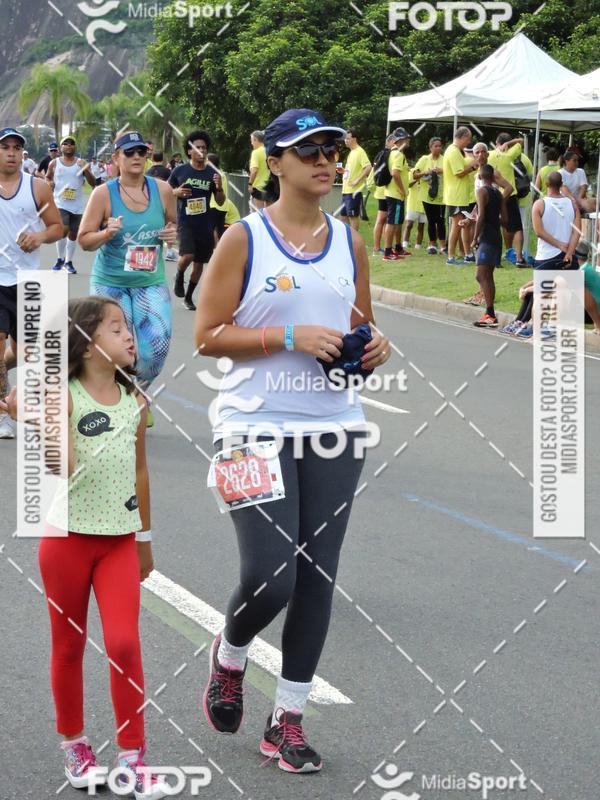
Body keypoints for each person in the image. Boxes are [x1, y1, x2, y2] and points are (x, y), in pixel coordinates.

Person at [195, 108, 390, 773]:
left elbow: (358, 325)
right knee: (270, 575)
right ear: (274, 163)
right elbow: (208, 335)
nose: (327, 160)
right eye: (309, 149)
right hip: (251, 426)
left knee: (316, 577)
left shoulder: (350, 241)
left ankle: (289, 720)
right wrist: (288, 337)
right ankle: (231, 650)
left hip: (335, 427)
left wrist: (374, 348)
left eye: (334, 149)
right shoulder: (243, 240)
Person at [0, 295, 169, 799]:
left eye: (129, 327)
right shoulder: (67, 395)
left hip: (119, 542)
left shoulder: (137, 399)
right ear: (87, 343)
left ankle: (133, 758)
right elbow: (64, 466)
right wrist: (36, 419)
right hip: (66, 542)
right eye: (116, 328)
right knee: (69, 647)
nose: (130, 335)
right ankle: (74, 744)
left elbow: (140, 472)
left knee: (123, 644)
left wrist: (144, 540)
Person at [78, 131, 178, 421]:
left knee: (155, 350)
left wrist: (172, 235)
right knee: (115, 350)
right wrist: (107, 233)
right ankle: (121, 408)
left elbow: (173, 225)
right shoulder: (103, 194)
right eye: (129, 153)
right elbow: (84, 240)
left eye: (141, 153)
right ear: (116, 158)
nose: (136, 158)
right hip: (111, 284)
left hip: (149, 282)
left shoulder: (162, 190)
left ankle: (135, 395)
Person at [0, 127, 62, 439]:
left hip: (27, 280)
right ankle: (2, 413)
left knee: (21, 355)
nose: (11, 153)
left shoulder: (37, 187)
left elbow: (57, 228)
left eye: (16, 148)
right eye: (5, 147)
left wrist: (38, 237)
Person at [169, 129, 225, 310]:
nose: (201, 151)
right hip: (185, 221)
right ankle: (179, 275)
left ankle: (189, 296)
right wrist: (176, 192)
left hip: (205, 222)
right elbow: (165, 193)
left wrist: (219, 187)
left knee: (199, 262)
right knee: (188, 255)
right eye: (197, 148)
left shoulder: (212, 173)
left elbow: (220, 201)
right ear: (189, 151)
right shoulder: (180, 171)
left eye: (204, 148)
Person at [46, 136, 96, 274]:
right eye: (65, 144)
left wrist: (85, 169)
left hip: (77, 205)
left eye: (71, 144)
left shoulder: (81, 163)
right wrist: (49, 182)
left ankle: (68, 262)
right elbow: (48, 176)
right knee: (64, 229)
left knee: (73, 234)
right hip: (60, 203)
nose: (68, 146)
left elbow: (93, 183)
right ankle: (59, 259)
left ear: (75, 147)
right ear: (61, 147)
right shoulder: (54, 163)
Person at [470, 163, 507, 328]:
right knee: (488, 276)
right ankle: (490, 314)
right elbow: (505, 220)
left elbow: (481, 216)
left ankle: (490, 313)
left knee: (481, 275)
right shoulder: (499, 194)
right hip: (497, 237)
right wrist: (494, 220)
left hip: (486, 238)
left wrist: (475, 237)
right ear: (493, 177)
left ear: (479, 176)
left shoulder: (481, 191)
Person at [488, 133, 527, 266]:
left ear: (496, 142)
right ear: (507, 144)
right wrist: (510, 143)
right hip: (509, 194)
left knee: (498, 225)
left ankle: (498, 255)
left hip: (492, 194)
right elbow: (521, 140)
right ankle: (519, 258)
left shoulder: (489, 155)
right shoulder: (510, 155)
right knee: (517, 228)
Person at [531, 171, 580, 270]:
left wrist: (559, 245)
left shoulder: (539, 204)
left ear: (546, 184)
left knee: (544, 285)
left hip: (545, 257)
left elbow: (539, 232)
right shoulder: (573, 205)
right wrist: (569, 253)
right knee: (572, 285)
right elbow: (577, 232)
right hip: (568, 256)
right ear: (562, 184)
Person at [443, 126, 477, 264]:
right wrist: (473, 166)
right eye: (468, 139)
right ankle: (450, 256)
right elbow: (459, 172)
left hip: (460, 195)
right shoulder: (453, 152)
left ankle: (467, 254)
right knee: (456, 225)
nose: (469, 142)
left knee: (463, 225)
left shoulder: (457, 151)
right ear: (462, 137)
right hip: (455, 195)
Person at [413, 136, 445, 254]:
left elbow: (452, 172)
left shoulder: (444, 159)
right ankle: (432, 245)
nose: (438, 148)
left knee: (441, 221)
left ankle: (443, 246)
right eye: (435, 146)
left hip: (441, 196)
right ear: (430, 147)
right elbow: (415, 175)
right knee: (431, 221)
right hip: (427, 196)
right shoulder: (424, 159)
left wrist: (441, 170)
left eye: (440, 146)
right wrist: (425, 172)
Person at [383, 127, 411, 261]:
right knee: (392, 222)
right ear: (401, 140)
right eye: (406, 138)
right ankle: (388, 252)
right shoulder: (398, 155)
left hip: (392, 193)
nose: (408, 140)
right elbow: (395, 173)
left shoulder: (392, 153)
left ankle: (397, 248)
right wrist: (402, 189)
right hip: (395, 194)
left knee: (397, 222)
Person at [338, 129, 371, 231]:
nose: (346, 141)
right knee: (343, 216)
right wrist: (344, 171)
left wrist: (357, 180)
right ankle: (346, 238)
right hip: (346, 190)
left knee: (353, 216)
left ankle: (353, 239)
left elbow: (368, 167)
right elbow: (352, 170)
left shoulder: (360, 152)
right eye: (345, 139)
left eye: (348, 138)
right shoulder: (351, 152)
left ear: (354, 139)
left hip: (354, 191)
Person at [402, 168, 426, 249]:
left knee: (421, 226)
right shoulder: (412, 172)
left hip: (423, 203)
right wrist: (417, 179)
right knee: (409, 224)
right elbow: (408, 184)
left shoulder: (426, 172)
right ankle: (405, 244)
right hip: (412, 203)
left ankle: (418, 246)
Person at [248, 130, 269, 210]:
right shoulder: (268, 151)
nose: (251, 143)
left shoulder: (256, 153)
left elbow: (254, 171)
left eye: (252, 140)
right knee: (269, 214)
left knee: (259, 213)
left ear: (256, 139)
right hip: (270, 187)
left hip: (259, 188)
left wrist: (250, 184)